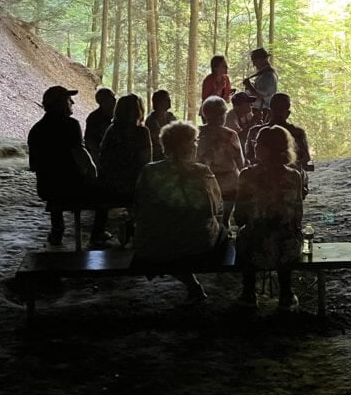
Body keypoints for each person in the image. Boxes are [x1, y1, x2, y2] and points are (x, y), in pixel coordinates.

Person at [132, 120, 226, 303]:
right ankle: (193, 285)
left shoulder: (149, 171)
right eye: (194, 141)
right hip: (196, 244)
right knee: (220, 231)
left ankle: (193, 286)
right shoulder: (201, 172)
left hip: (153, 243)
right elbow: (215, 208)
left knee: (170, 236)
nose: (196, 144)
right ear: (186, 146)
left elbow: (138, 206)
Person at [234, 125, 305, 310]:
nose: (255, 147)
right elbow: (298, 216)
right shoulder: (294, 176)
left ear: (266, 149)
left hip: (254, 247)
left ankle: (248, 292)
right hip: (286, 247)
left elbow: (239, 217)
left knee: (245, 235)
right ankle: (286, 293)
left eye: (258, 144)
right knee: (286, 235)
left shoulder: (247, 175)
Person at [27, 86, 98, 247]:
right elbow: (79, 152)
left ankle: (57, 229)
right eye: (68, 99)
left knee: (55, 188)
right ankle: (98, 234)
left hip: (46, 188)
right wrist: (93, 170)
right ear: (59, 103)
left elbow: (34, 165)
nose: (72, 102)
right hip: (72, 187)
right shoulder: (71, 125)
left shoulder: (36, 130)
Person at [97, 93, 152, 241]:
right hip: (132, 187)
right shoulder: (142, 132)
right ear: (139, 110)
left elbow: (103, 158)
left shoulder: (112, 130)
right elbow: (146, 162)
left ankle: (97, 232)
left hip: (110, 186)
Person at [242, 93, 312, 196]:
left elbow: (248, 157)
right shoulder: (297, 133)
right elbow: (305, 158)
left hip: (261, 176)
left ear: (270, 111)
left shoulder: (255, 131)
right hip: (289, 178)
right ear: (288, 113)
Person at [196, 95, 245, 225]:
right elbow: (240, 161)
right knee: (224, 220)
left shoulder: (197, 133)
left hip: (204, 183)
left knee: (208, 219)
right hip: (229, 183)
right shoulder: (230, 135)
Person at [84, 87, 116, 163]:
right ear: (103, 100)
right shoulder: (94, 118)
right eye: (111, 97)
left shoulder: (117, 115)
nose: (115, 99)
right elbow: (89, 140)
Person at [242, 47, 278, 111]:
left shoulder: (267, 76)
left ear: (262, 60)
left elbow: (260, 95)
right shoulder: (263, 74)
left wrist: (249, 85)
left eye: (254, 61)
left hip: (262, 111)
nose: (254, 64)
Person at [145, 89, 176, 161]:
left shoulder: (171, 116)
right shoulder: (151, 120)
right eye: (167, 99)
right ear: (159, 102)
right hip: (156, 155)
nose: (169, 101)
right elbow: (155, 141)